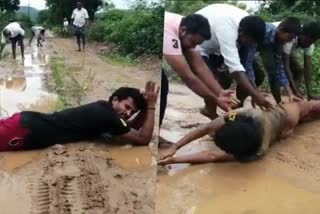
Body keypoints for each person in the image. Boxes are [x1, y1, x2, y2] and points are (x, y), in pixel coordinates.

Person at [0, 81, 159, 151]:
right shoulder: (108, 116)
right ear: (115, 100)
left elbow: (130, 130)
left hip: (24, 122)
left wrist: (145, 109)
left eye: (132, 112)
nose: (128, 113)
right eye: (127, 107)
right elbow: (143, 139)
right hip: (22, 131)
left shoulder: (105, 109)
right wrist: (151, 106)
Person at [158, 99, 320, 165]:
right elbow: (207, 128)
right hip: (279, 121)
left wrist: (175, 160)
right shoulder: (241, 114)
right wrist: (175, 148)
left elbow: (212, 156)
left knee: (309, 107)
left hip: (287, 115)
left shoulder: (258, 150)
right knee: (309, 111)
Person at [161, 11, 238, 127]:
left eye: (196, 44)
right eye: (192, 42)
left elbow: (200, 68)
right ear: (183, 30)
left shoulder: (188, 30)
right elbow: (189, 77)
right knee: (162, 84)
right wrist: (217, 100)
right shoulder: (169, 31)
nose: (193, 47)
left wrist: (220, 92)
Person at [195, 4, 274, 115]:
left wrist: (255, 93)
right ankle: (211, 113)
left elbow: (245, 68)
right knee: (213, 81)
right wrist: (256, 96)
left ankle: (235, 109)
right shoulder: (227, 29)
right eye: (250, 41)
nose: (251, 45)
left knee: (246, 77)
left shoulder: (250, 25)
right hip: (202, 46)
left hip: (219, 44)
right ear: (241, 32)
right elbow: (236, 70)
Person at [251, 17, 303, 104]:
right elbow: (247, 62)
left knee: (267, 73)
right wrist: (255, 94)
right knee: (252, 75)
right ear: (281, 29)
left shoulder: (278, 42)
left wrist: (290, 94)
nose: (288, 42)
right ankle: (234, 108)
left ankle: (239, 103)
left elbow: (279, 67)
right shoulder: (263, 31)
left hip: (251, 52)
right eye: (289, 38)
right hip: (235, 50)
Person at [281, 18, 320, 100]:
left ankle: (292, 96)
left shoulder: (309, 42)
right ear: (301, 34)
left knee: (299, 71)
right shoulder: (290, 35)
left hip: (286, 49)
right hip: (275, 43)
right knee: (276, 72)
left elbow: (307, 68)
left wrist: (309, 93)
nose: (308, 45)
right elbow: (286, 66)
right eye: (306, 42)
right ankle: (288, 97)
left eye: (311, 43)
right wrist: (295, 91)